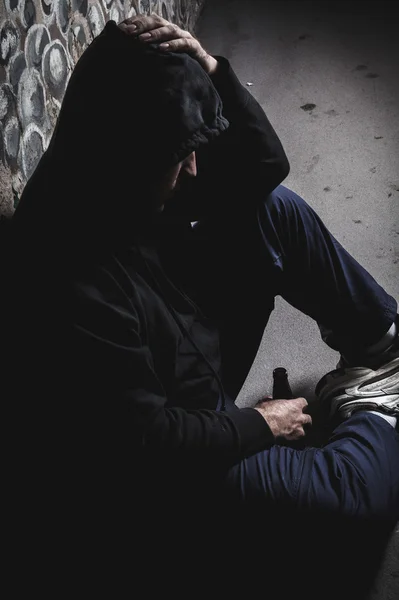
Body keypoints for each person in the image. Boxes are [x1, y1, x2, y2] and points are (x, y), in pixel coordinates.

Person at [3, 14, 398, 593]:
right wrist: (259, 424)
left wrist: (213, 71)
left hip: (184, 346)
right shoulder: (69, 277)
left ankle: (380, 341)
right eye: (176, 155)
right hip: (166, 461)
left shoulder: (129, 168)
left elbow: (264, 168)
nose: (192, 165)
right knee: (353, 499)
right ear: (130, 159)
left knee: (272, 210)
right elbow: (148, 445)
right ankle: (375, 407)